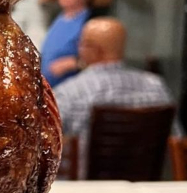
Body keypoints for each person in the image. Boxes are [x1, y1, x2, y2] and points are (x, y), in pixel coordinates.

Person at [54, 18, 180, 173]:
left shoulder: (69, 92)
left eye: (82, 44)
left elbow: (45, 147)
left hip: (85, 186)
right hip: (147, 184)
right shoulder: (156, 86)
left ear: (94, 50)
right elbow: (176, 142)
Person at [41, 0, 96, 88]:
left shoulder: (91, 23)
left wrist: (74, 63)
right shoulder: (58, 17)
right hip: (49, 87)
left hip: (73, 88)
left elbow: (99, 60)